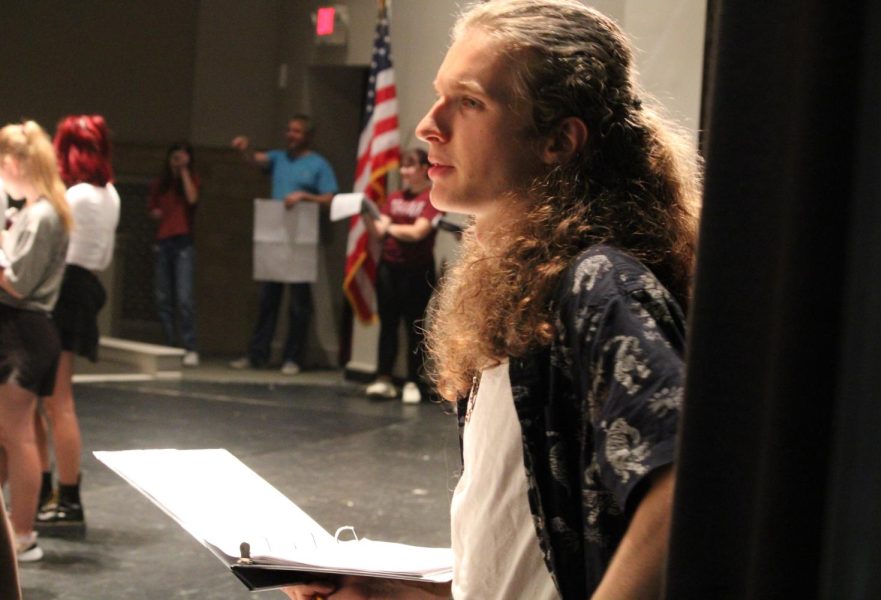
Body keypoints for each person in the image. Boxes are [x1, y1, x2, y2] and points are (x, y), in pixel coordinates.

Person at [284, 0, 700, 598]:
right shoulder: (528, 289)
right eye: (439, 94)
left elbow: (688, 478)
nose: (429, 125)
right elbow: (521, 567)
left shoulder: (598, 282)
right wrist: (380, 592)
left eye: (471, 102)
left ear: (558, 141)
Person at [31, 115, 120, 539]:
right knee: (42, 403)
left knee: (56, 402)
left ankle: (67, 498)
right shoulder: (110, 193)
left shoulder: (79, 195)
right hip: (79, 289)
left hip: (62, 292)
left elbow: (46, 238)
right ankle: (46, 490)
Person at [0, 120, 72, 563]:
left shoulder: (43, 214)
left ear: (20, 162)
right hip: (16, 329)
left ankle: (23, 534)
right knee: (7, 434)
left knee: (17, 434)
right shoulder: (32, 209)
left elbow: (19, 282)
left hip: (25, 331)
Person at [230, 114, 338, 375]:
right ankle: (258, 354)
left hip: (301, 242)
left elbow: (330, 198)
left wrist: (304, 196)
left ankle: (293, 357)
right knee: (268, 300)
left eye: (297, 131)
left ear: (308, 136)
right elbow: (255, 160)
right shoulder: (279, 158)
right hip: (275, 241)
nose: (291, 135)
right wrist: (245, 149)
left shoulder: (318, 164)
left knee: (299, 304)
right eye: (289, 130)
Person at [362, 148, 441, 404]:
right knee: (388, 324)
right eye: (403, 167)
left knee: (414, 327)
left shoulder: (432, 198)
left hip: (418, 271)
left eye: (410, 166)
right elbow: (377, 232)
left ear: (423, 169)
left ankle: (412, 382)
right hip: (389, 268)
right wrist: (365, 215)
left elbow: (418, 232)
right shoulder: (394, 197)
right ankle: (383, 379)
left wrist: (389, 227)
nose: (405, 172)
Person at [148, 142, 201, 366]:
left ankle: (190, 347)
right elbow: (152, 209)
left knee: (184, 297)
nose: (178, 160)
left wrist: (184, 171)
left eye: (182, 156)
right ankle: (170, 344)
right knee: (163, 297)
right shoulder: (160, 184)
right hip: (163, 242)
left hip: (183, 243)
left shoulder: (191, 179)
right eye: (175, 157)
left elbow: (192, 199)